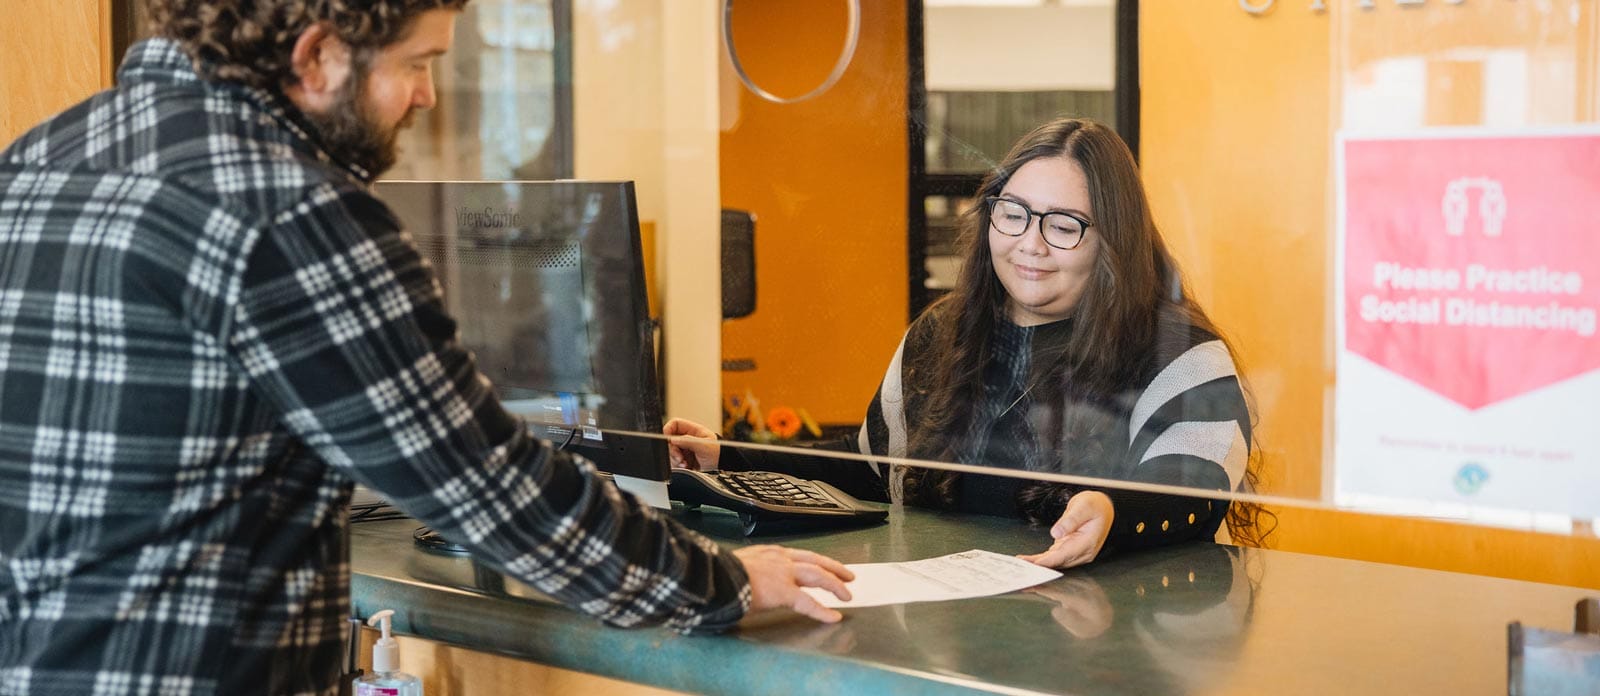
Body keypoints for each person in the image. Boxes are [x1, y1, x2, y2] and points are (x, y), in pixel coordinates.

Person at [0, 1, 851, 692]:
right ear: (319, 54)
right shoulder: (295, 212)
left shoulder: (37, 159)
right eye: (417, 63)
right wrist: (725, 582)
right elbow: (487, 486)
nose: (428, 98)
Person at [668, 118, 1270, 569]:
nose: (1030, 244)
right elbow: (873, 469)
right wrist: (730, 455)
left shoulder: (1180, 353)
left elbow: (1193, 489)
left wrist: (1112, 512)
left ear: (1112, 242)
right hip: (958, 630)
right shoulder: (940, 332)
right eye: (1013, 213)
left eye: (1064, 225)